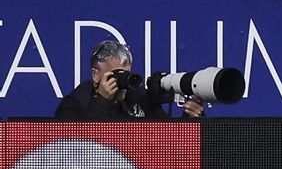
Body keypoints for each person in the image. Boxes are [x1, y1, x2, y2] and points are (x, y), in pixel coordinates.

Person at [55, 40, 204, 119]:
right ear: (96, 75)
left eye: (126, 74)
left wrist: (190, 122)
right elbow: (75, 146)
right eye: (117, 74)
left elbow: (165, 139)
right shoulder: (76, 102)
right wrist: (102, 101)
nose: (123, 82)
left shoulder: (139, 97)